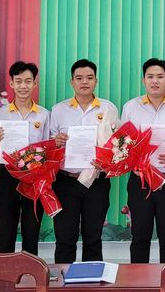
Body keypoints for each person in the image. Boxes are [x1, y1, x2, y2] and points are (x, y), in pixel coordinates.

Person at [49, 59, 120, 264]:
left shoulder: (108, 108)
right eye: (79, 78)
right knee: (65, 238)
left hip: (97, 181)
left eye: (89, 78)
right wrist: (56, 141)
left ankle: (92, 282)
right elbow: (49, 146)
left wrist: (107, 161)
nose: (84, 82)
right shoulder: (59, 110)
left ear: (96, 81)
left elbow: (119, 145)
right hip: (66, 182)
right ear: (72, 82)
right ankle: (63, 282)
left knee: (93, 238)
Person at [120, 58, 165, 263]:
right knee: (139, 234)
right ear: (143, 80)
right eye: (150, 77)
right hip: (140, 180)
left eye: (160, 77)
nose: (155, 81)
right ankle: (138, 280)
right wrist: (133, 160)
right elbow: (122, 143)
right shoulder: (131, 107)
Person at [0, 61, 50, 255]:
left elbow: (48, 149)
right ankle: (5, 271)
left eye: (28, 81)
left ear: (35, 83)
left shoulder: (44, 115)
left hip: (34, 177)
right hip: (8, 175)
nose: (23, 86)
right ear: (12, 84)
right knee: (6, 230)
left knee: (31, 230)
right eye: (19, 81)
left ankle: (30, 272)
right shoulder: (0, 114)